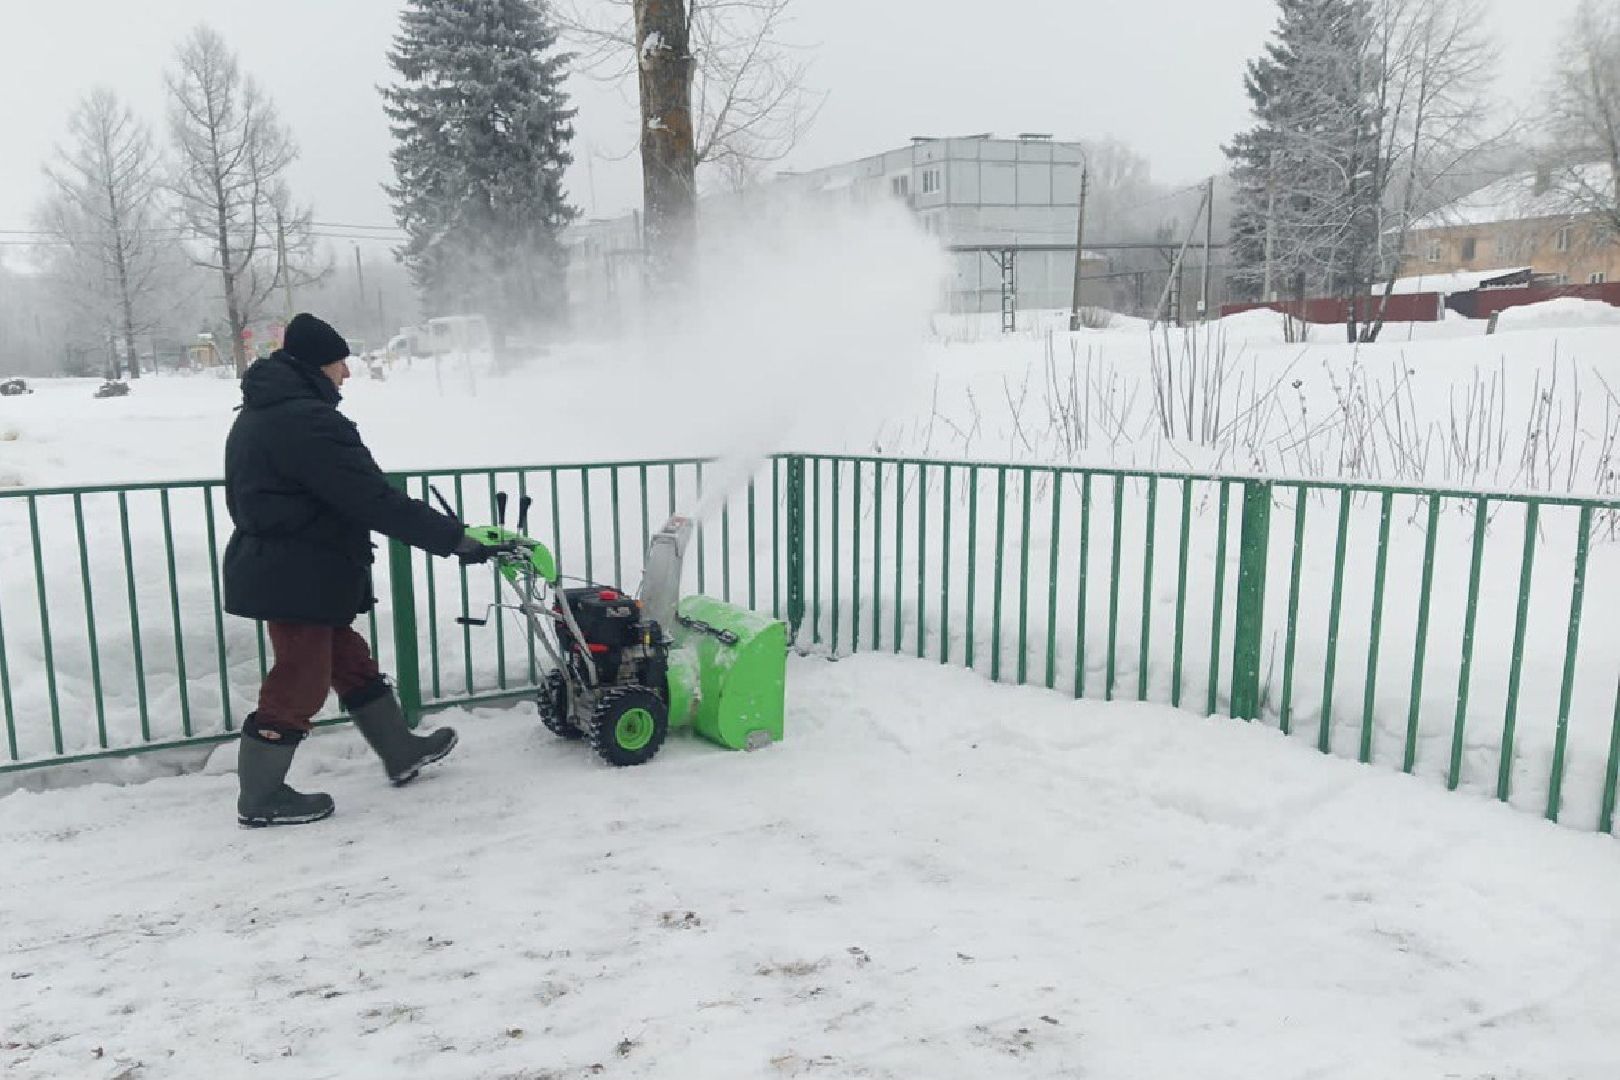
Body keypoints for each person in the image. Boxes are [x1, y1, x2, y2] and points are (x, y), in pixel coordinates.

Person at [223, 313, 494, 828]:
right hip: (295, 572)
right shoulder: (304, 420)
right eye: (339, 362)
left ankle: (400, 751)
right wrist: (452, 539)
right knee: (300, 681)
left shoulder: (268, 410)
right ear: (317, 364)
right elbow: (370, 498)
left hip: (298, 568)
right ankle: (261, 797)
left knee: (349, 661)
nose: (346, 373)